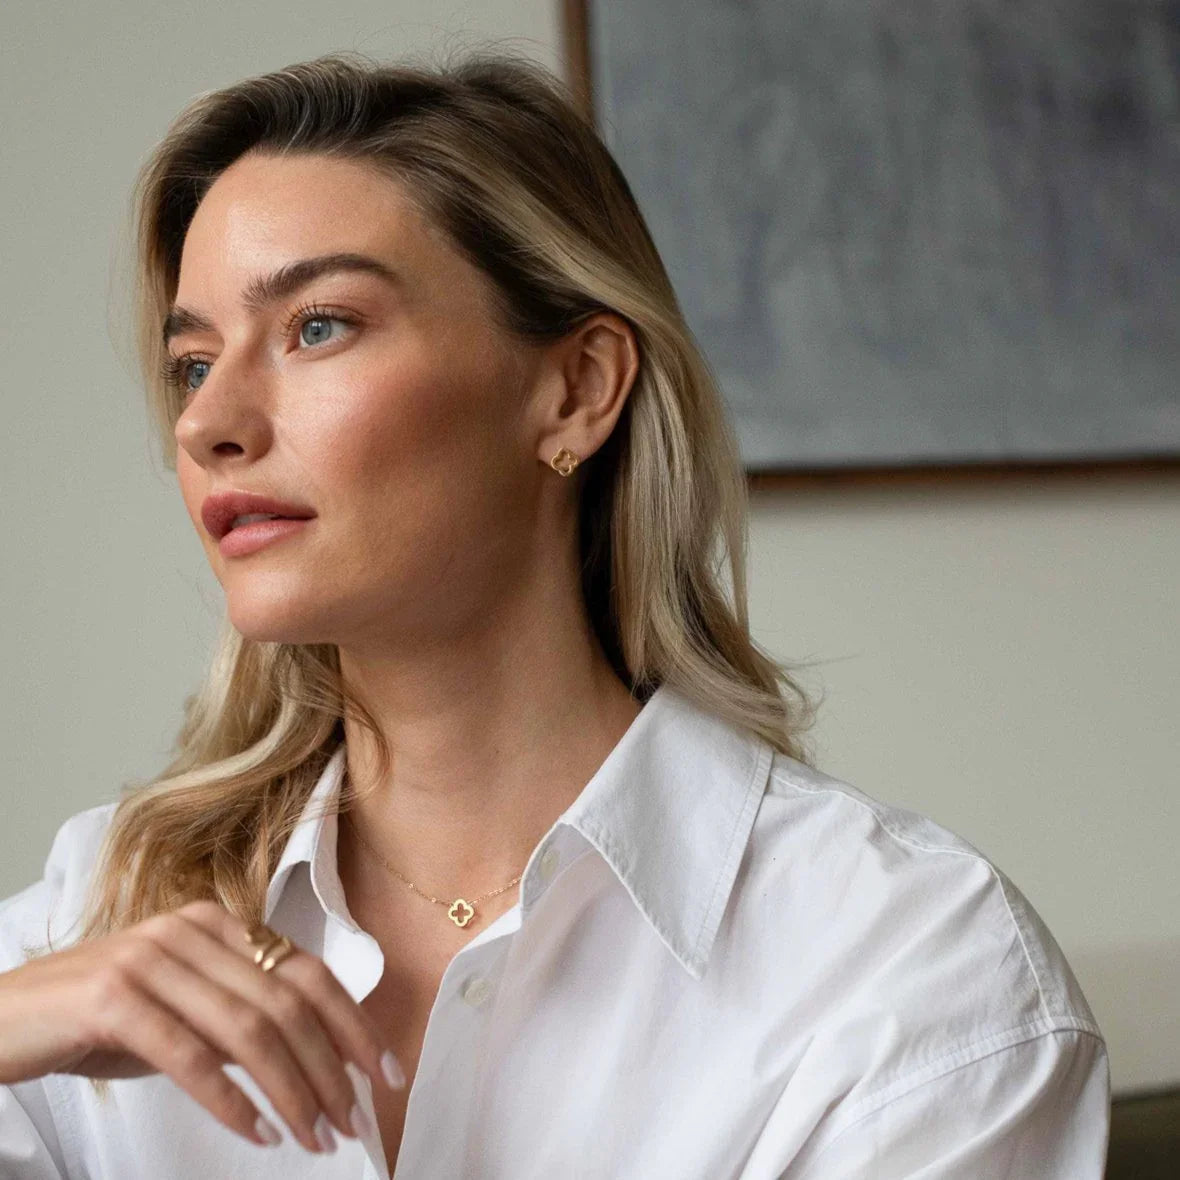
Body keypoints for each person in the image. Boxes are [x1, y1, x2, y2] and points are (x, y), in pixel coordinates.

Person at [0, 49, 1109, 1180]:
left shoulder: (911, 978)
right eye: (192, 363)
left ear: (576, 388)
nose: (209, 424)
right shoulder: (97, 913)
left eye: (317, 326)